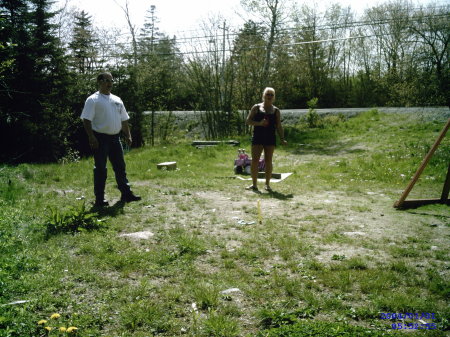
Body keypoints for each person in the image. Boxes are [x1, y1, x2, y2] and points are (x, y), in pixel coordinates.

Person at [81, 72, 141, 207]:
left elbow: (124, 120)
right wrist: (91, 137)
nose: (110, 84)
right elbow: (86, 119)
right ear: (100, 82)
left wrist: (128, 135)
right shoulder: (93, 100)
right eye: (107, 81)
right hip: (100, 139)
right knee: (101, 169)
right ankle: (100, 199)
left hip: (115, 138)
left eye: (111, 81)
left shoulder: (117, 99)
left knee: (120, 167)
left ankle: (126, 194)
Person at [245, 87, 287, 191]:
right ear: (264, 95)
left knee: (268, 161)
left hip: (270, 138)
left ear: (274, 97)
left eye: (272, 95)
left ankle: (267, 185)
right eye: (268, 94)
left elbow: (279, 126)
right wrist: (259, 123)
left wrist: (282, 138)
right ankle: (254, 185)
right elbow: (248, 121)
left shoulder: (276, 110)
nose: (269, 96)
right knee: (255, 160)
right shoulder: (256, 107)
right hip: (258, 137)